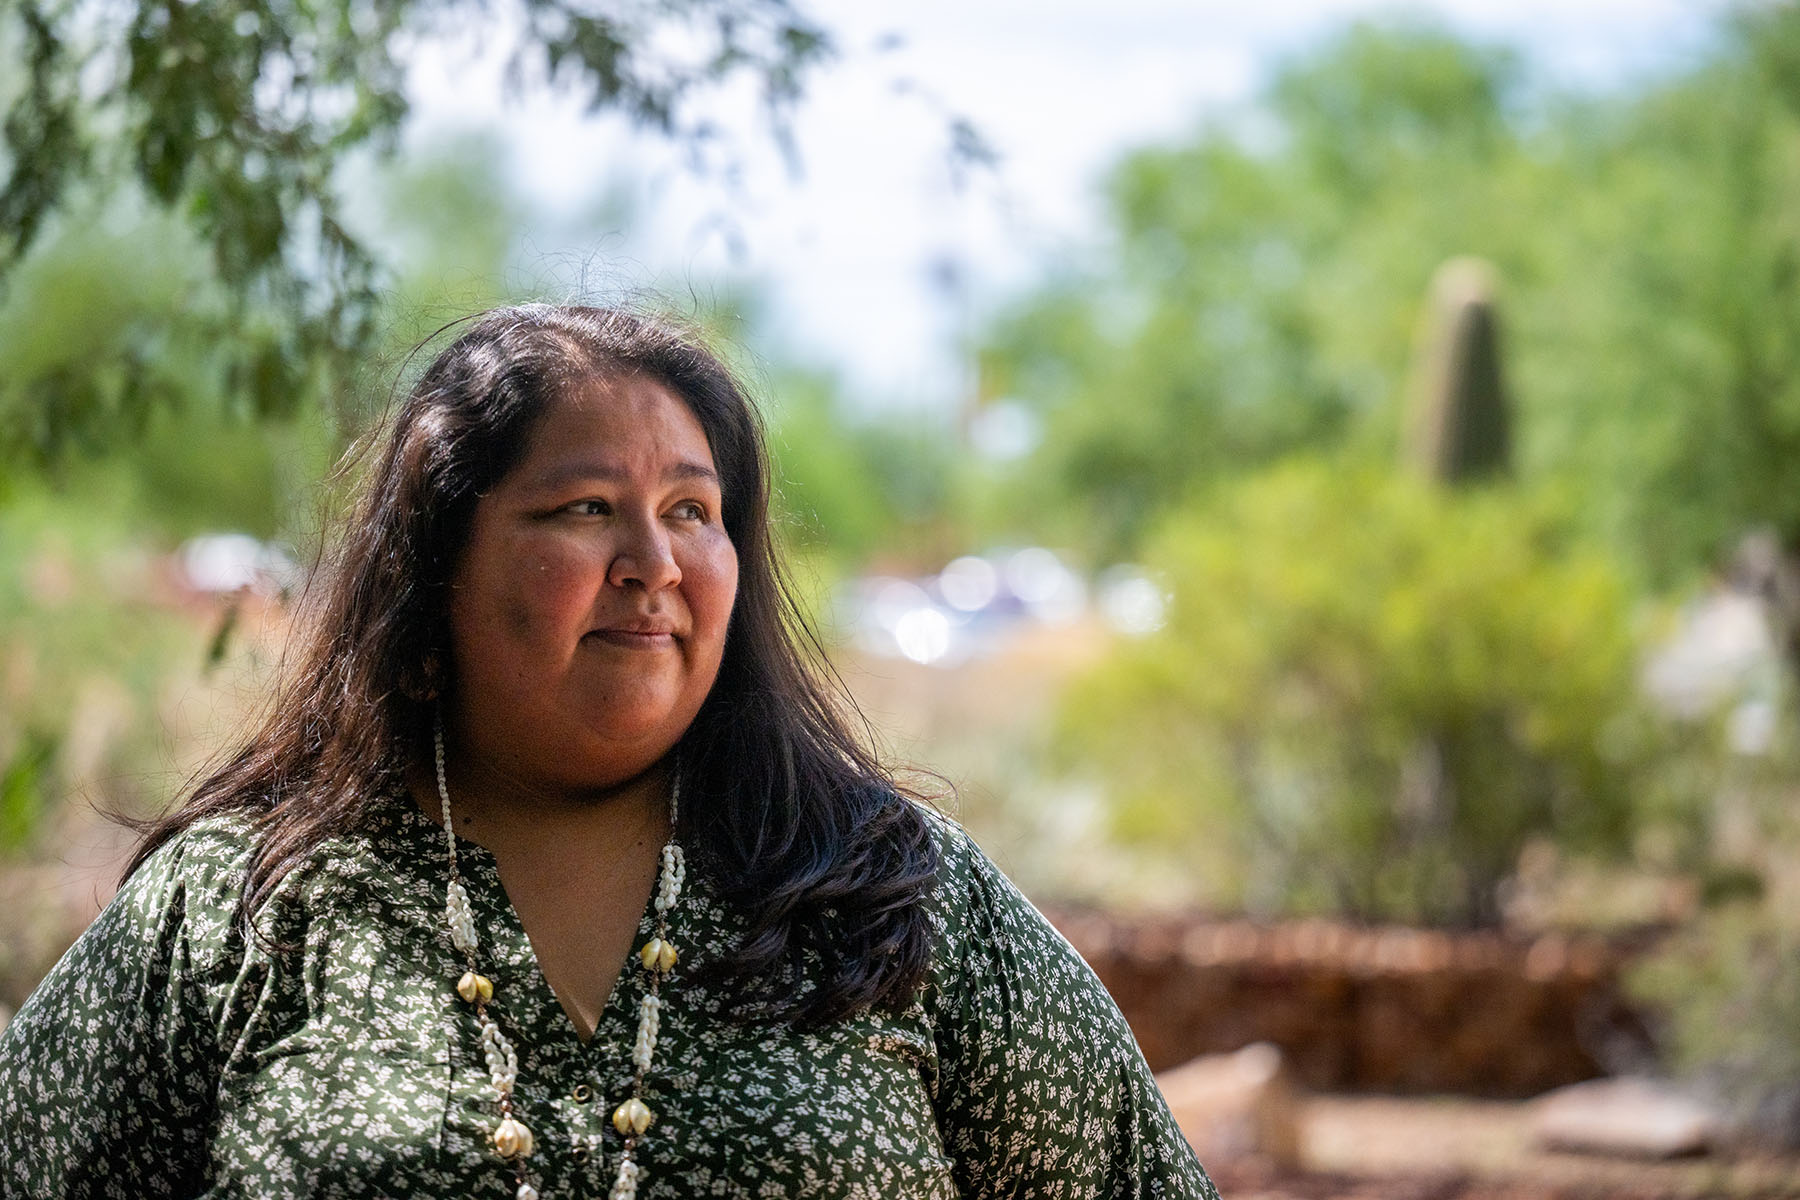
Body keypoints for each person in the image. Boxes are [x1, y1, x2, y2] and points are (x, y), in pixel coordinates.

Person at [0, 305, 1219, 1200]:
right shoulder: (244, 909)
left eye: (694, 511)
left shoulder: (892, 893)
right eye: (586, 509)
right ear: (440, 571)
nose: (657, 560)